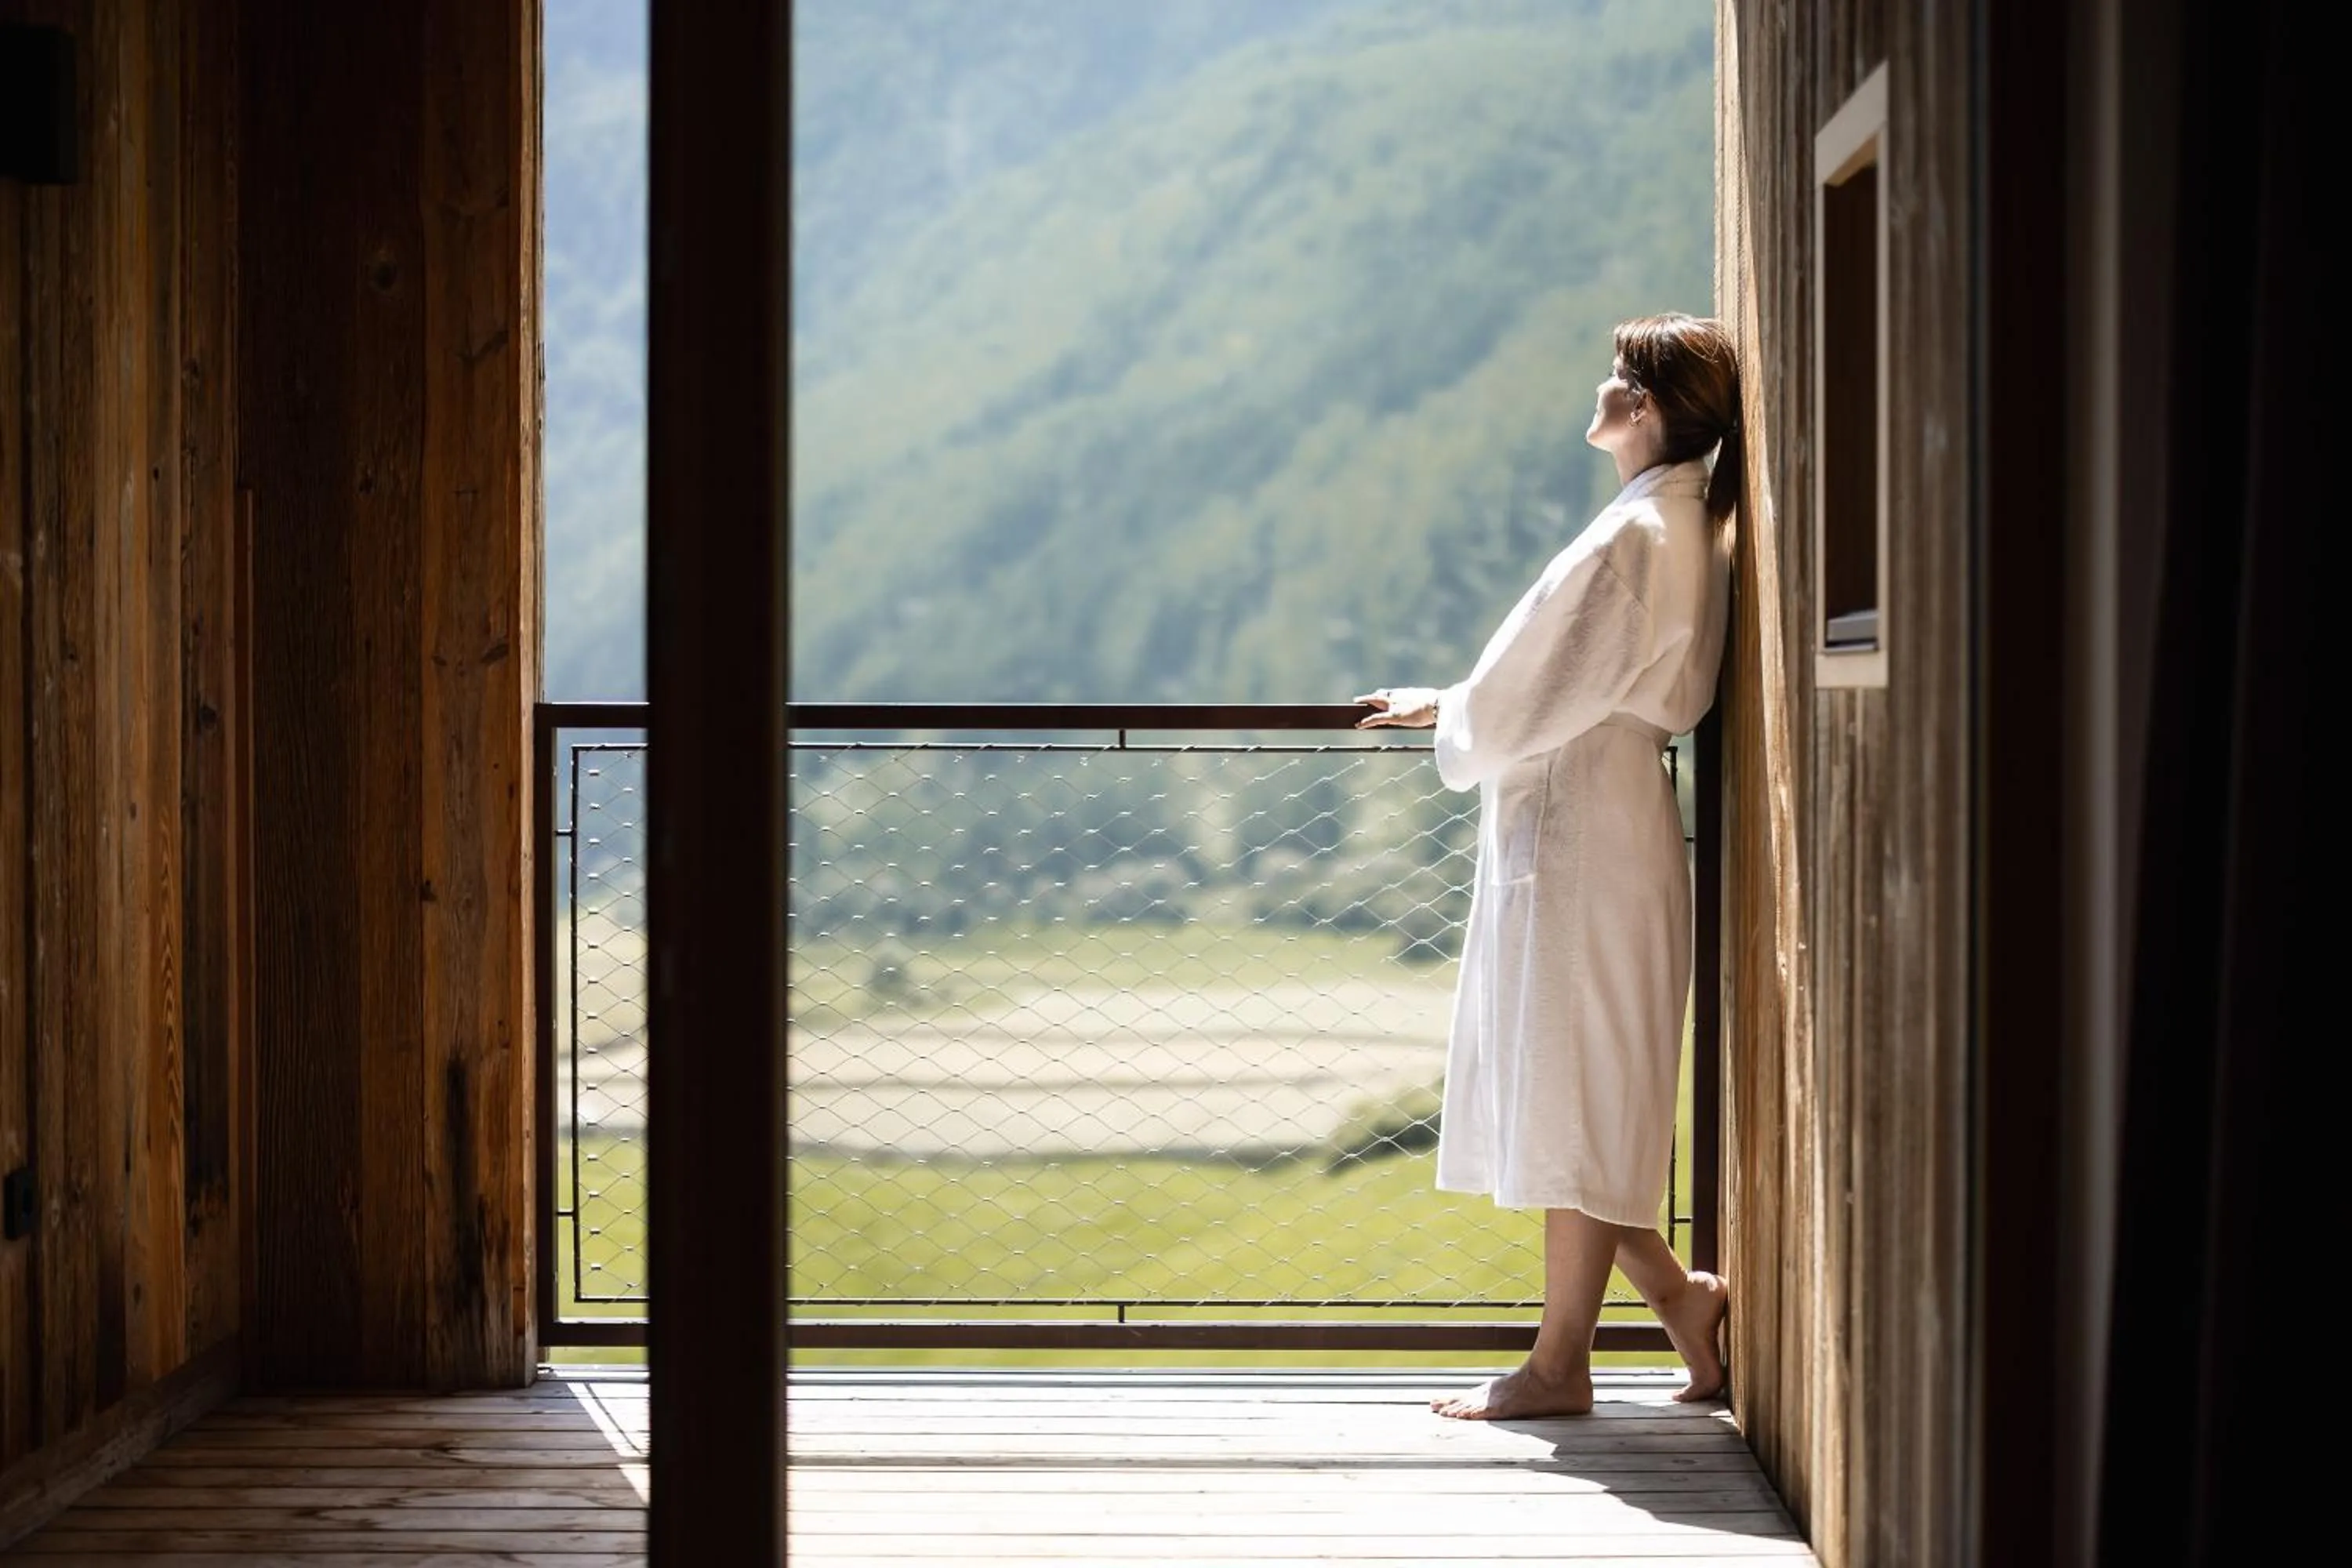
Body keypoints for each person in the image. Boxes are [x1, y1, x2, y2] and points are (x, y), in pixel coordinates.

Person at [1355, 312, 1740, 1419]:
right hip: (1599, 815)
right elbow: (1553, 677)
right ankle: (1682, 1300)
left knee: (1572, 1095)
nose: (1606, 387)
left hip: (1583, 831)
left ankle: (1559, 1366)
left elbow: (1533, 688)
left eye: (1624, 376)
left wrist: (1462, 715)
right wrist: (1459, 703)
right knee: (1573, 1092)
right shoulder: (1669, 522)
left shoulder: (1641, 535)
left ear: (1652, 410)